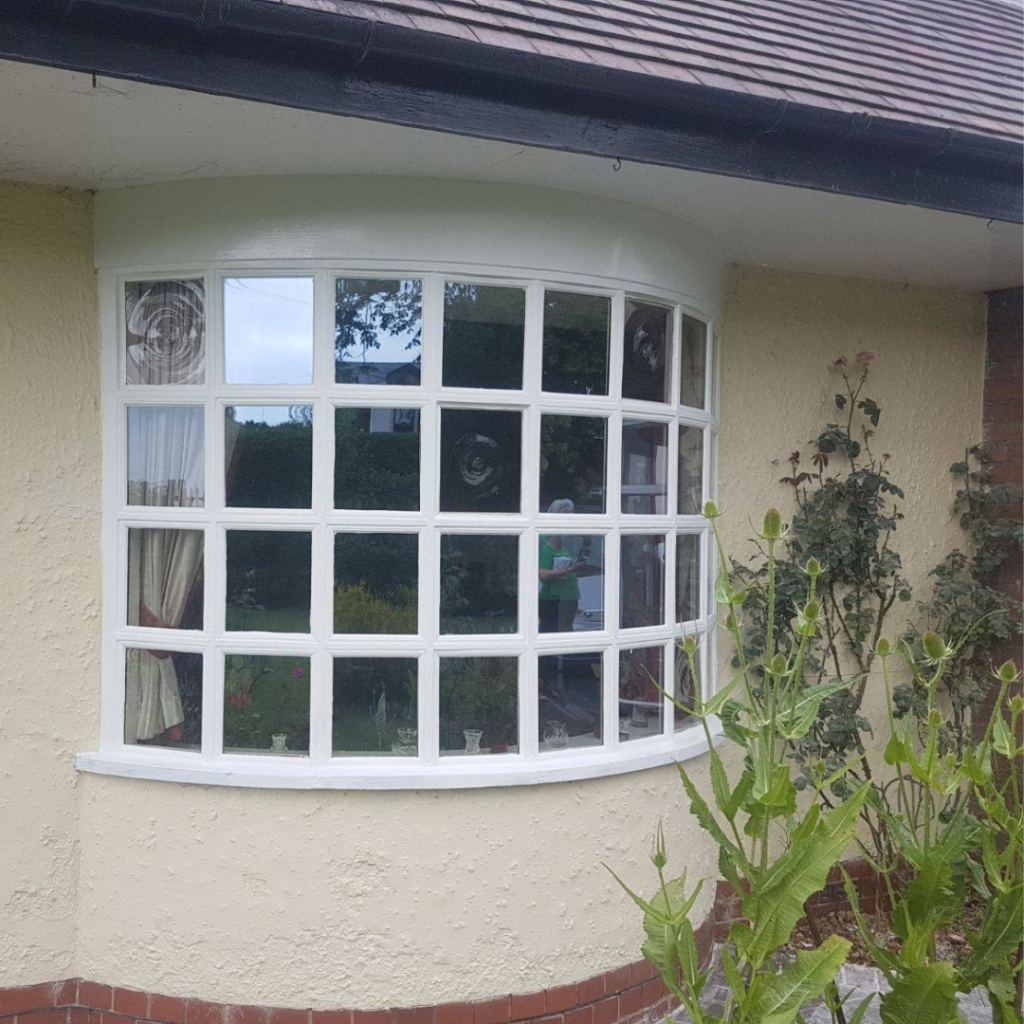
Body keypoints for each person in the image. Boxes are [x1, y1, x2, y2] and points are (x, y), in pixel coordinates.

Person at [538, 498, 583, 633]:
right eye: (565, 511)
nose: (570, 515)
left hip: (569, 597)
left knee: (566, 631)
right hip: (553, 599)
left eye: (572, 511)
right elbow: (543, 574)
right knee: (552, 632)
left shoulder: (567, 539)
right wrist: (570, 569)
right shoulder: (547, 540)